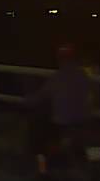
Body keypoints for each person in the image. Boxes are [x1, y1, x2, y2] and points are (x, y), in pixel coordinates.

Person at [27, 44, 94, 174]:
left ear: (59, 59)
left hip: (63, 123)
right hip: (84, 120)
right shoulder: (84, 75)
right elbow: (92, 96)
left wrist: (26, 100)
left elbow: (41, 96)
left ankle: (43, 171)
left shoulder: (57, 77)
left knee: (39, 139)